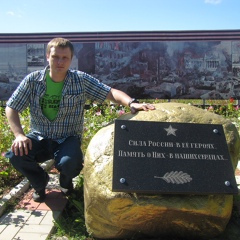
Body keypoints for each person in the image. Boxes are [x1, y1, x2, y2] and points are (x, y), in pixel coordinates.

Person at [5, 38, 155, 202]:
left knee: (71, 162)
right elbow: (12, 107)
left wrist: (131, 102)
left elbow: (110, 93)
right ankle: (39, 183)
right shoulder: (32, 81)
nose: (60, 62)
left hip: (67, 138)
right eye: (56, 57)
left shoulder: (80, 80)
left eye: (65, 58)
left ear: (71, 59)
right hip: (39, 135)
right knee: (15, 154)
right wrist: (19, 135)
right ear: (48, 56)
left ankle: (65, 182)